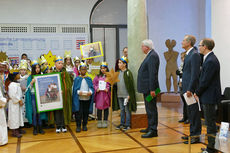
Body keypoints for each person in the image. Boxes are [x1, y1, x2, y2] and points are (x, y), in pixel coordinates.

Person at [194, 38, 221, 153]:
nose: (198, 47)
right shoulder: (208, 58)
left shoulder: (210, 60)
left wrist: (197, 92)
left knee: (210, 124)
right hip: (208, 96)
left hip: (209, 96)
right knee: (209, 123)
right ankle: (211, 146)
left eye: (200, 45)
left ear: (205, 46)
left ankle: (211, 149)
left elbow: (205, 81)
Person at [180, 35, 201, 144]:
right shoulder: (189, 54)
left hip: (190, 89)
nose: (181, 42)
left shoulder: (194, 55)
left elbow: (195, 74)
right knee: (190, 112)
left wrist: (190, 89)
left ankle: (196, 136)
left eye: (183, 40)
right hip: (186, 88)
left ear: (189, 42)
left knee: (194, 113)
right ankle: (192, 133)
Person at [137, 39, 160, 138]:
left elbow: (152, 74)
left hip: (151, 89)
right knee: (148, 108)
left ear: (146, 47)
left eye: (142, 46)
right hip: (148, 88)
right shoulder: (151, 55)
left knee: (151, 109)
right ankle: (150, 126)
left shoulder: (152, 56)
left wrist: (152, 89)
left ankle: (153, 130)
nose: (141, 48)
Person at [115, 56, 137, 131]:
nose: (118, 64)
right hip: (119, 94)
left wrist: (129, 95)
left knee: (127, 110)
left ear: (124, 64)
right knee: (121, 110)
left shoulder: (128, 73)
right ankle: (122, 123)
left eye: (120, 63)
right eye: (118, 63)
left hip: (126, 96)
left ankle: (127, 124)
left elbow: (131, 85)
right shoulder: (118, 73)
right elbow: (116, 83)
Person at [72, 62, 94, 132]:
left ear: (86, 70)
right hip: (79, 99)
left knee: (85, 113)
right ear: (79, 70)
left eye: (84, 69)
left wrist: (90, 92)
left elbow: (91, 88)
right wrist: (79, 92)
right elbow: (75, 89)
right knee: (78, 113)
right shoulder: (77, 79)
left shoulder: (89, 79)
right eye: (82, 69)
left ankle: (84, 125)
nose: (83, 71)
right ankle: (78, 126)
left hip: (87, 99)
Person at [53, 56, 73, 133]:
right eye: (59, 63)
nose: (61, 65)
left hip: (64, 95)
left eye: (62, 63)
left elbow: (69, 84)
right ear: (55, 64)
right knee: (58, 110)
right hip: (56, 96)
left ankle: (64, 125)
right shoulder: (53, 73)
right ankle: (58, 125)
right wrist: (56, 91)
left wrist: (64, 90)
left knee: (64, 109)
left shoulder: (65, 73)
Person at [25, 61, 45, 135]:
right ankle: (35, 128)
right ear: (33, 69)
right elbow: (28, 89)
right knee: (34, 112)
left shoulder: (41, 75)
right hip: (33, 96)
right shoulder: (30, 77)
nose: (37, 69)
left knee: (40, 112)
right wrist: (31, 83)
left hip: (40, 96)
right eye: (36, 68)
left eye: (38, 67)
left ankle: (40, 127)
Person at [93, 62, 111, 128]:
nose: (102, 70)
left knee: (106, 108)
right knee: (99, 109)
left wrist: (108, 88)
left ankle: (105, 121)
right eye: (101, 68)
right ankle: (99, 121)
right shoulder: (97, 77)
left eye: (104, 68)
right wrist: (96, 88)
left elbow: (111, 85)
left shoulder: (109, 76)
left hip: (106, 95)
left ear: (106, 69)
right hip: (99, 95)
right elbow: (94, 84)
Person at [7, 73, 24, 138]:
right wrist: (19, 100)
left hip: (17, 103)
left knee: (18, 117)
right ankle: (14, 131)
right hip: (14, 103)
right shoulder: (12, 85)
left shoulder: (16, 83)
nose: (19, 75)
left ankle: (18, 128)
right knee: (14, 117)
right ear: (14, 77)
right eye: (18, 74)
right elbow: (13, 95)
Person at [177, 51, 189, 124]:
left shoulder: (187, 65)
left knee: (188, 103)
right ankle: (185, 117)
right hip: (181, 84)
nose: (182, 59)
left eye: (183, 57)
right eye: (181, 57)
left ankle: (189, 118)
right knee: (184, 102)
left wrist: (181, 73)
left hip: (186, 85)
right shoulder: (181, 65)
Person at [18, 61, 30, 127]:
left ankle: (27, 121)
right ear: (19, 70)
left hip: (26, 94)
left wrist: (26, 88)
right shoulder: (17, 78)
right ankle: (22, 122)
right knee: (21, 108)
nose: (23, 71)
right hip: (20, 95)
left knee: (26, 108)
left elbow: (30, 85)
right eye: (21, 70)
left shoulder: (28, 78)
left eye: (24, 70)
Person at [0, 61, 8, 146]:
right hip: (1, 100)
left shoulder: (5, 76)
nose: (1, 68)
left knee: (3, 121)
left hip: (3, 99)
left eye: (3, 67)